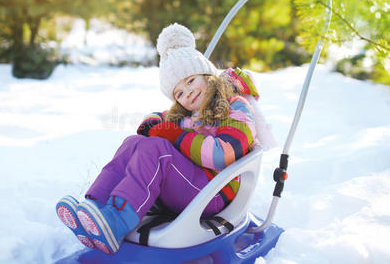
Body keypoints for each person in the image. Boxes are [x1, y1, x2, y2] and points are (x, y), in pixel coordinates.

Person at [55, 23, 276, 255]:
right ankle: (95, 205)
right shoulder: (186, 114)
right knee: (134, 142)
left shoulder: (235, 106)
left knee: (158, 150)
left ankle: (118, 220)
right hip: (189, 188)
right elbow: (158, 119)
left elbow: (224, 154)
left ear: (208, 75)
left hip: (213, 194)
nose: (188, 93)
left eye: (190, 81)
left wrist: (175, 135)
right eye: (179, 93)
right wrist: (152, 123)